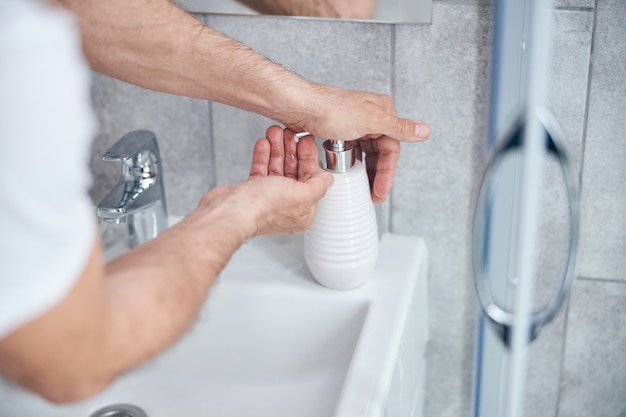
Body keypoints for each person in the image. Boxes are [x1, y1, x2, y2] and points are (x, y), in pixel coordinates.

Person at [0, 0, 429, 404]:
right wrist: (237, 213)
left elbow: (83, 8)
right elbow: (70, 357)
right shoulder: (21, 71)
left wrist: (308, 103)